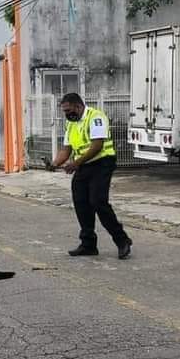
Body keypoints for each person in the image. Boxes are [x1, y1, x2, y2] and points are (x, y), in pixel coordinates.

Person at [49, 93, 132, 260]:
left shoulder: (96, 117)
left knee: (98, 202)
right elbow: (66, 149)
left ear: (78, 106)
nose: (66, 114)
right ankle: (88, 245)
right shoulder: (71, 123)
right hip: (83, 165)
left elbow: (97, 145)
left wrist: (75, 163)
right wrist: (54, 163)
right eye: (64, 111)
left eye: (68, 110)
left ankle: (122, 241)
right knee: (81, 203)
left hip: (102, 163)